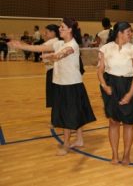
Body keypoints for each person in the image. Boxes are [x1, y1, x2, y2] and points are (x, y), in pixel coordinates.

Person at [8, 18, 96, 156]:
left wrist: (52, 56)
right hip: (61, 84)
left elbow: (62, 54)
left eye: (62, 27)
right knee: (74, 112)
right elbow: (38, 48)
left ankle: (66, 144)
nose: (59, 29)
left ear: (70, 30)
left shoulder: (73, 45)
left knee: (68, 115)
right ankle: (79, 139)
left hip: (71, 85)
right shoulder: (59, 43)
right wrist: (20, 46)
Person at [97, 22, 133, 165]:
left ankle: (126, 155)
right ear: (119, 33)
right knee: (113, 122)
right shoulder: (105, 49)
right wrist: (104, 86)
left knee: (128, 123)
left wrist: (130, 94)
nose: (131, 34)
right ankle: (114, 154)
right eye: (128, 32)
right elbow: (100, 70)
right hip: (111, 86)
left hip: (129, 85)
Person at [42, 24, 60, 108]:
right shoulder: (60, 42)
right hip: (57, 70)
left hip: (52, 70)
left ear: (53, 32)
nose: (44, 34)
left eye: (46, 32)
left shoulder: (49, 43)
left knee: (53, 95)